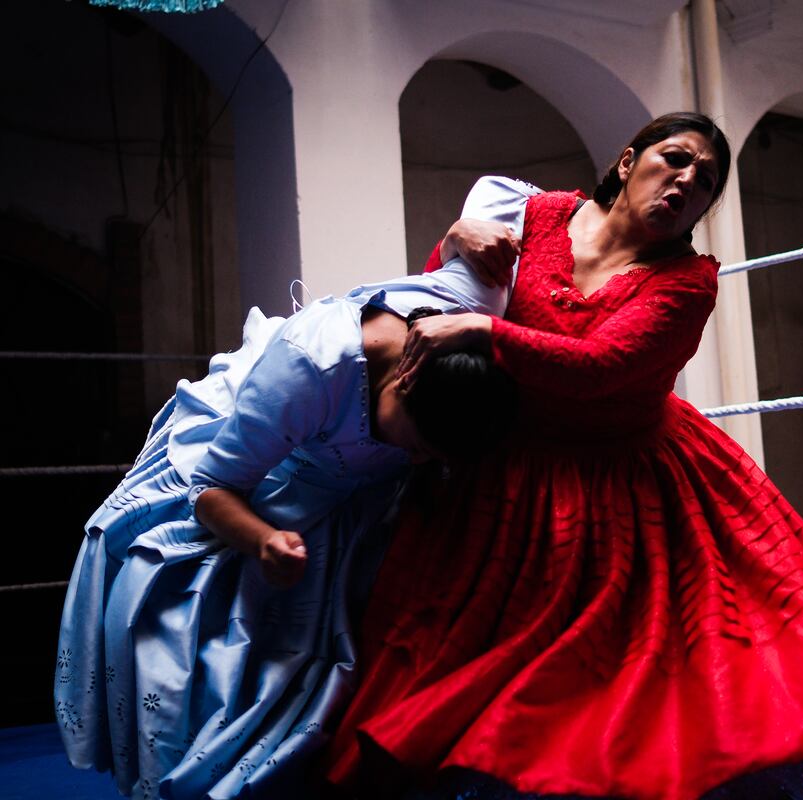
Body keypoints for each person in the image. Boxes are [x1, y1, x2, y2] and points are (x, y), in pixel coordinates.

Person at [325, 113, 803, 800]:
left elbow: (600, 364)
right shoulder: (541, 214)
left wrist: (483, 331)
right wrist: (455, 236)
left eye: (706, 180)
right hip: (504, 472)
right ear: (626, 163)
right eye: (674, 159)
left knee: (639, 691)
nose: (687, 180)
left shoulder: (689, 282)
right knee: (452, 674)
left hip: (626, 483)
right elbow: (451, 293)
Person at [53, 178, 531, 800]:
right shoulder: (314, 366)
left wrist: (456, 237)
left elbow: (507, 194)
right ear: (405, 384)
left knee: (323, 678)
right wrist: (262, 540)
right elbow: (212, 487)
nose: (415, 460)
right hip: (240, 487)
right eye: (415, 445)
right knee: (188, 662)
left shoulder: (473, 320)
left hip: (335, 504)